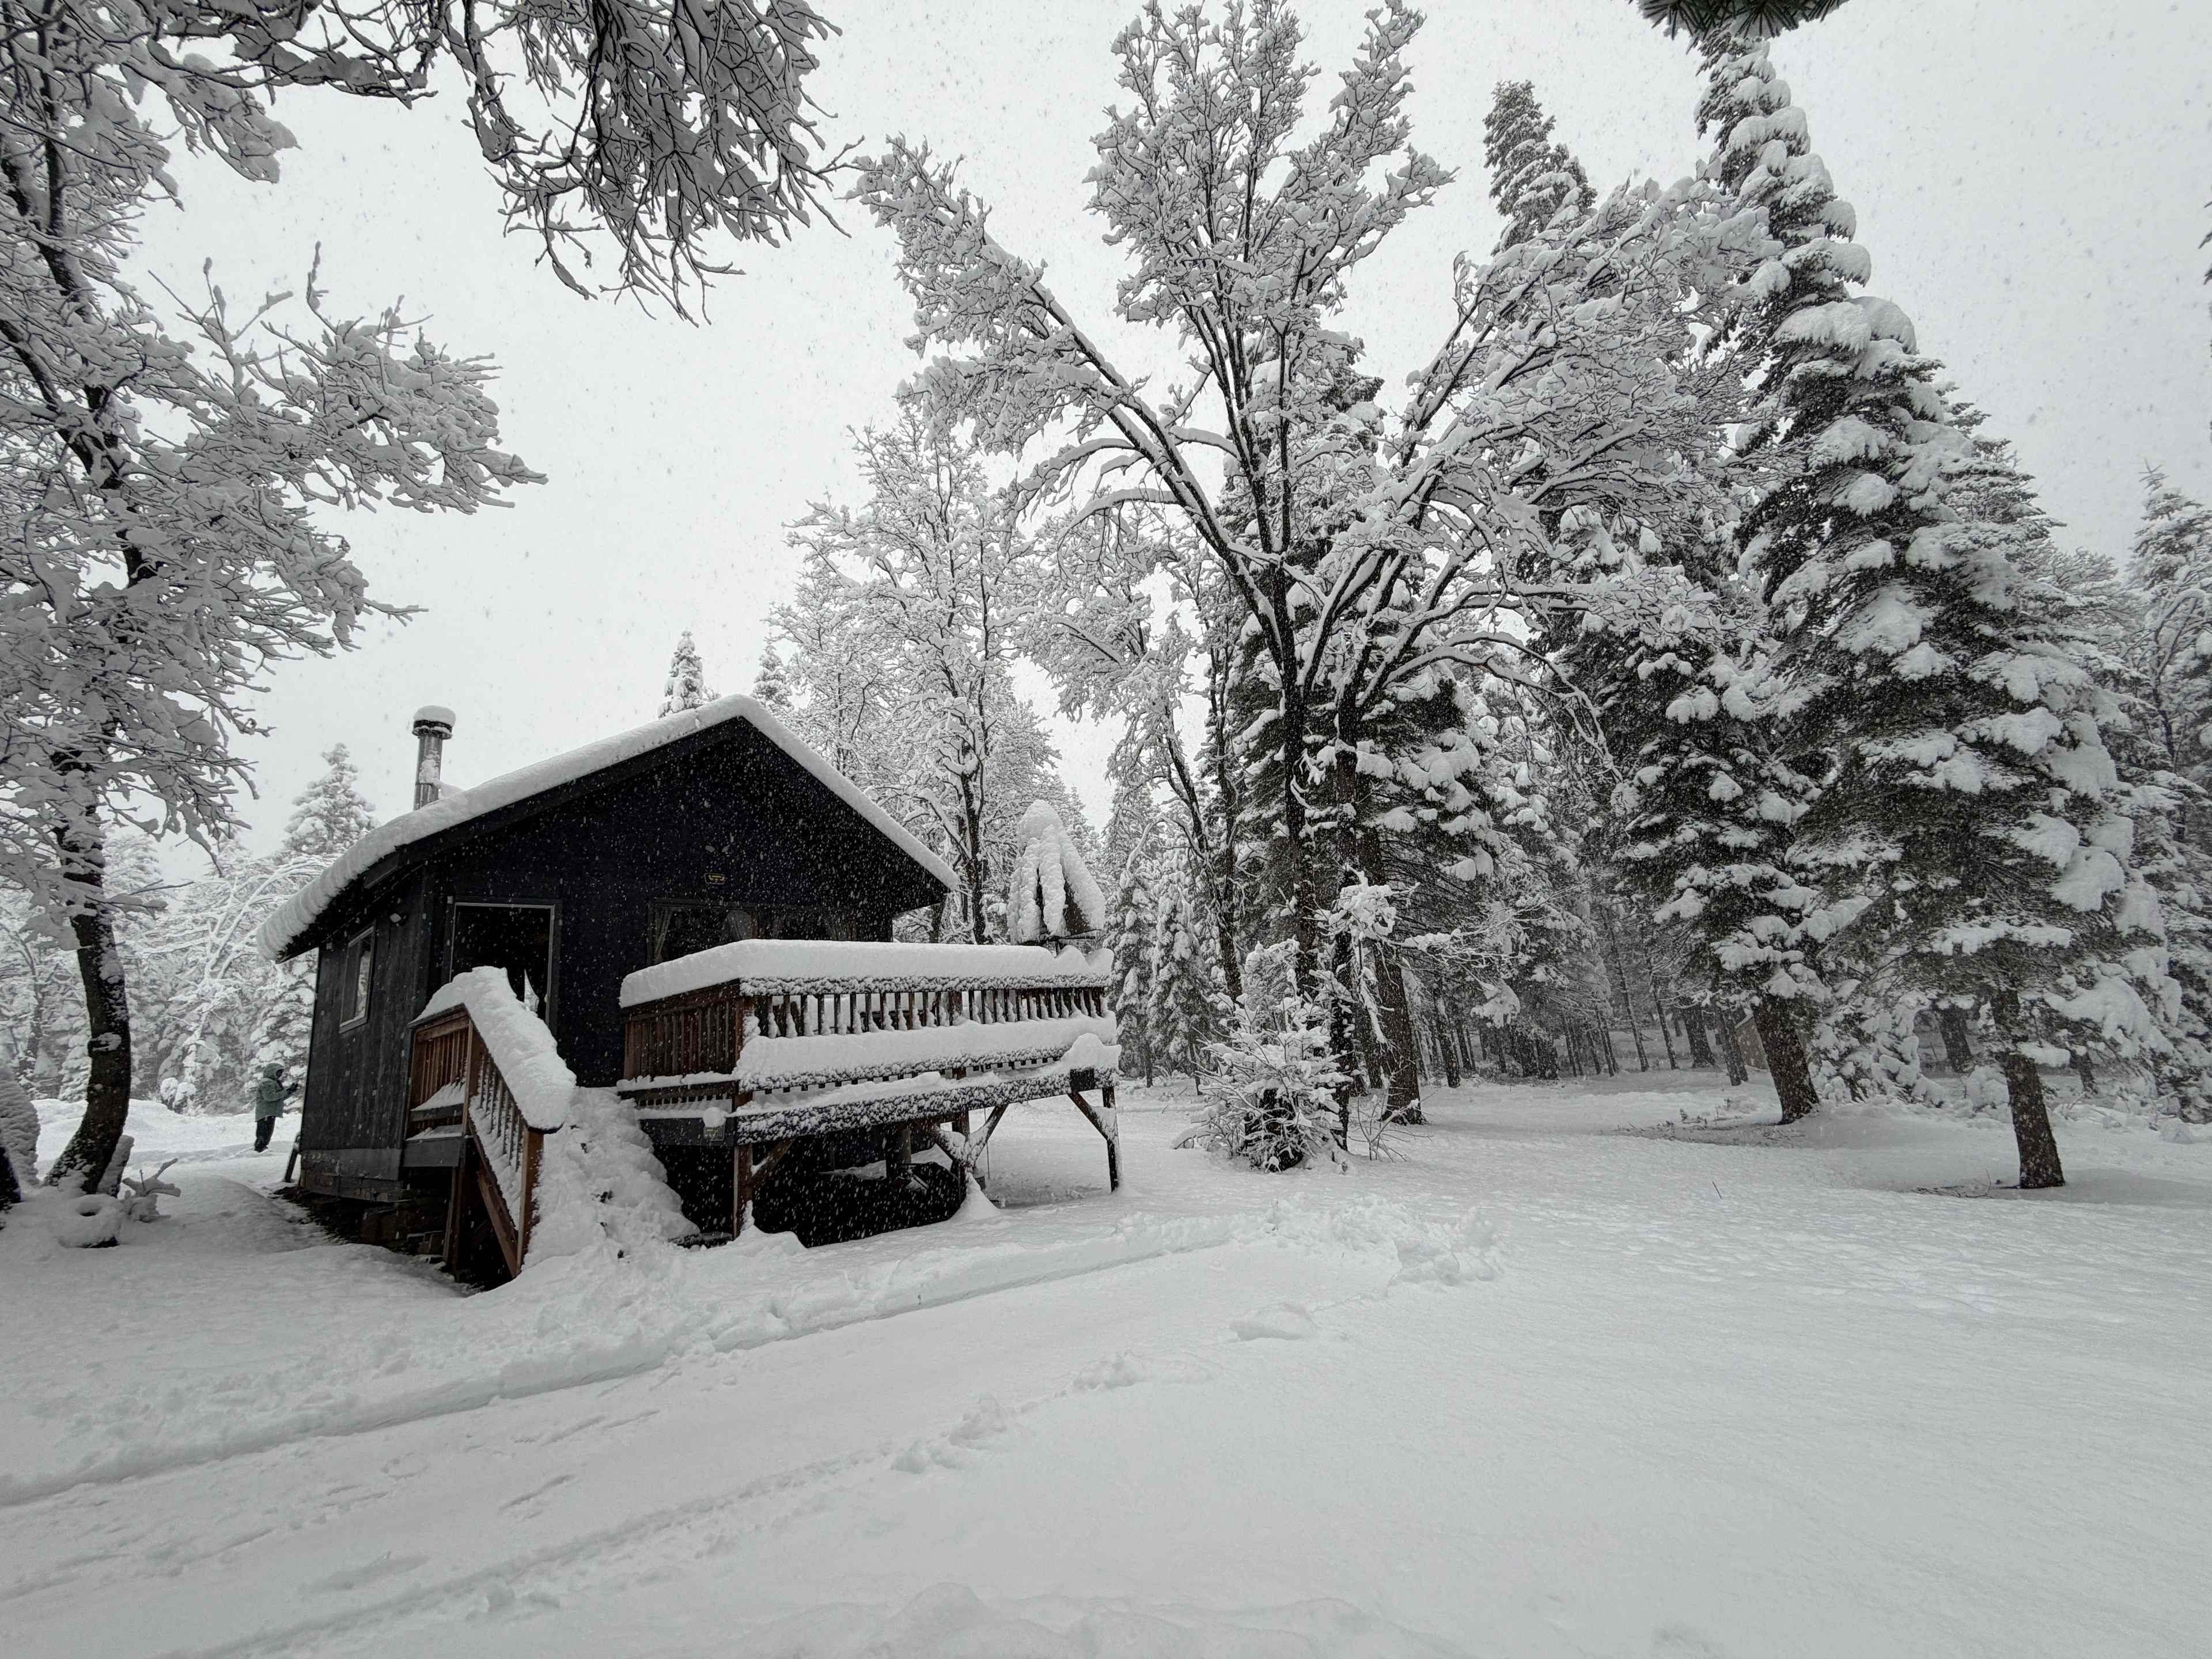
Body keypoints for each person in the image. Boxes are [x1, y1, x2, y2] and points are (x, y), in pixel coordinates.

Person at [252, 1063, 293, 1153]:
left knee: (267, 1133)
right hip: (266, 1112)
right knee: (264, 1133)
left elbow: (279, 1098)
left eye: (280, 1073)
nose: (280, 1075)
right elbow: (270, 1097)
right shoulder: (267, 1083)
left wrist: (290, 1091)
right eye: (278, 1072)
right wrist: (286, 1092)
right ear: (272, 1072)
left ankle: (261, 1148)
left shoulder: (273, 1082)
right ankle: (259, 1149)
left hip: (269, 1112)